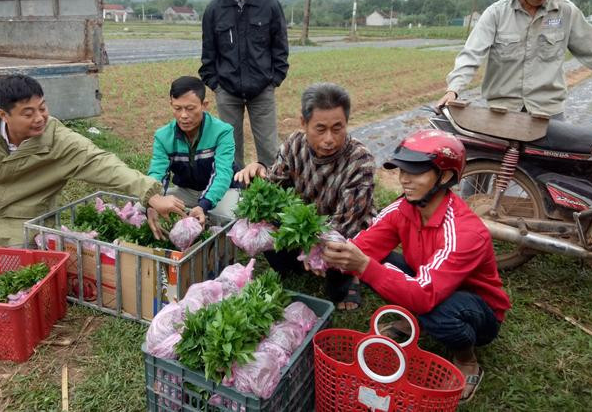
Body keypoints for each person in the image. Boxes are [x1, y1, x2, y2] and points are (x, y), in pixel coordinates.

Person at [317, 129, 511, 403]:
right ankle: (413, 320)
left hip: (479, 311)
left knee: (431, 306)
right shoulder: (403, 209)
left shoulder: (466, 232)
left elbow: (423, 295)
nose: (405, 179)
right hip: (429, 282)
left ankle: (467, 360)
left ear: (444, 176)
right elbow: (363, 247)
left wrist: (364, 266)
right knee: (375, 262)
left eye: (415, 172)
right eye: (402, 171)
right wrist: (329, 257)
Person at [0, 74, 185, 246]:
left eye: (43, 108)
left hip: (22, 215)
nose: (39, 118)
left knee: (13, 265)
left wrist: (150, 194)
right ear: (3, 115)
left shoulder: (58, 140)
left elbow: (103, 163)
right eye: (27, 113)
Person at [235, 82, 376, 311]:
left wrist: (319, 246)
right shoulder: (294, 145)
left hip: (341, 229)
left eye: (337, 128)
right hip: (302, 226)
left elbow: (346, 224)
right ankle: (301, 262)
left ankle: (346, 278)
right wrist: (259, 173)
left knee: (338, 255)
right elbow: (275, 187)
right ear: (304, 123)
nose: (329, 139)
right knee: (269, 237)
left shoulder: (360, 161)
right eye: (320, 129)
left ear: (346, 124)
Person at [438, 0, 592, 121]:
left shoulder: (566, 12)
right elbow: (471, 55)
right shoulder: (496, 14)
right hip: (503, 112)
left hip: (548, 113)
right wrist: (453, 90)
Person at [199, 0, 289, 169]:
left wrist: (274, 80)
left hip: (262, 91)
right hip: (227, 92)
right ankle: (233, 198)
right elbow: (208, 56)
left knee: (270, 152)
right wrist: (216, 85)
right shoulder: (214, 10)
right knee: (229, 152)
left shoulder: (269, 5)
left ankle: (272, 196)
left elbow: (280, 49)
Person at [148, 76, 239, 222]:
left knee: (227, 216)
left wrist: (203, 205)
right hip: (187, 192)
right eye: (177, 108)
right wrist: (154, 201)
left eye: (190, 108)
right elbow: (157, 174)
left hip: (223, 191)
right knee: (144, 205)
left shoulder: (222, 132)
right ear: (171, 104)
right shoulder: (163, 136)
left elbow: (222, 173)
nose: (183, 115)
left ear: (204, 105)